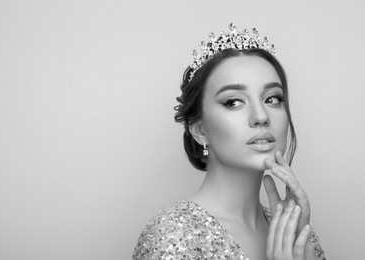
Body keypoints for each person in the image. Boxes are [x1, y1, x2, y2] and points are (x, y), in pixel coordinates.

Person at [132, 23, 326, 260]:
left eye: (272, 99)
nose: (261, 116)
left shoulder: (297, 234)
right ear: (200, 130)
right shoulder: (172, 237)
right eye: (233, 102)